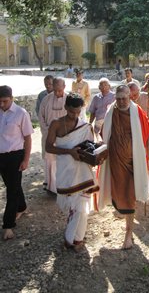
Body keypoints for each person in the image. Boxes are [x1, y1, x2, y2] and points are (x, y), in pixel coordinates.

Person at [45, 93, 102, 251]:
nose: (75, 115)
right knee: (70, 205)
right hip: (65, 170)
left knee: (81, 207)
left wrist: (98, 157)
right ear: (66, 108)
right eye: (71, 112)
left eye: (78, 112)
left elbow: (90, 148)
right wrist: (69, 152)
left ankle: (73, 239)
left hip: (83, 171)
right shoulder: (56, 124)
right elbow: (48, 147)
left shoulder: (85, 126)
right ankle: (75, 236)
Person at [98, 85, 149, 249]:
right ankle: (123, 213)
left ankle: (128, 234)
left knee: (129, 195)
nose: (121, 102)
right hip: (115, 162)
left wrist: (147, 154)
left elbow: (148, 131)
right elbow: (103, 133)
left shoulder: (138, 112)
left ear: (130, 97)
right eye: (118, 98)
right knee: (118, 191)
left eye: (124, 98)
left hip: (133, 162)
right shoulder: (111, 112)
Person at [0, 85, 34, 240]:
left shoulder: (21, 113)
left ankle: (8, 225)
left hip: (15, 156)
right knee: (12, 185)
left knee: (12, 190)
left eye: (5, 101)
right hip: (1, 156)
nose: (2, 105)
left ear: (11, 99)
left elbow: (27, 137)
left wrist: (26, 159)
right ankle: (22, 206)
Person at [39, 77, 67, 193]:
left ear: (64, 87)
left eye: (59, 90)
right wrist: (49, 133)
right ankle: (51, 187)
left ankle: (64, 186)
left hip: (65, 137)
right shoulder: (46, 99)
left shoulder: (70, 99)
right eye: (55, 90)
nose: (56, 93)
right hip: (49, 137)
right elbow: (41, 117)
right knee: (50, 162)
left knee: (64, 161)